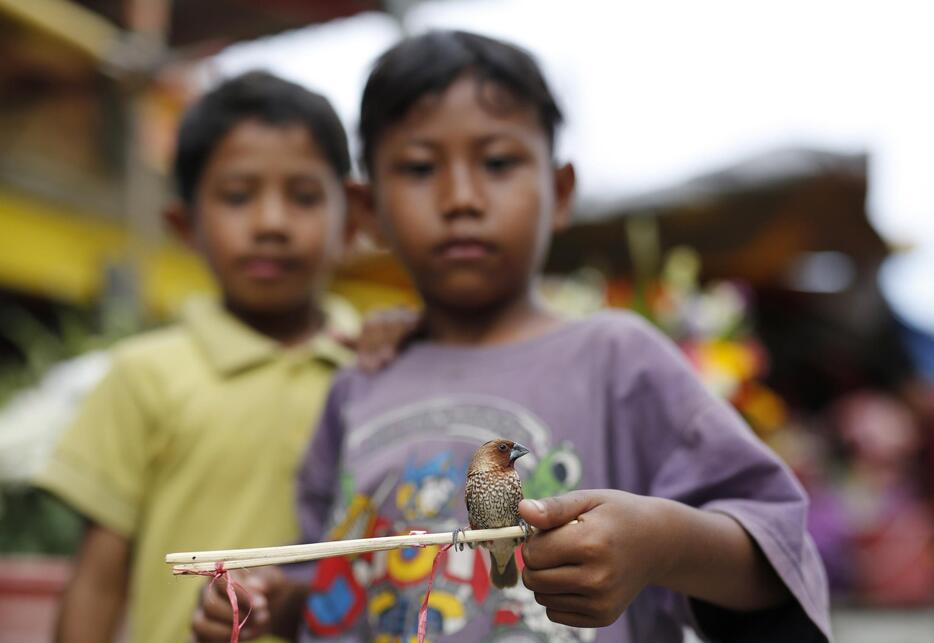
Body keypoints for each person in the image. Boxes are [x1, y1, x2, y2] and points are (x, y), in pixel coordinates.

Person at [193, 32, 832, 642]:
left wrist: (660, 543)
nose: (461, 198)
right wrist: (275, 604)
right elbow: (333, 579)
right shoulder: (357, 384)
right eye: (418, 168)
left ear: (559, 193)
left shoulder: (618, 358)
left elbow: (777, 551)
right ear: (368, 213)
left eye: (498, 162)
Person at [36, 70, 366, 643]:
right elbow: (97, 582)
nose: (271, 223)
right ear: (184, 225)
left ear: (352, 220)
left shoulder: (380, 370)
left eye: (305, 196)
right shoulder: (144, 376)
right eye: (238, 196)